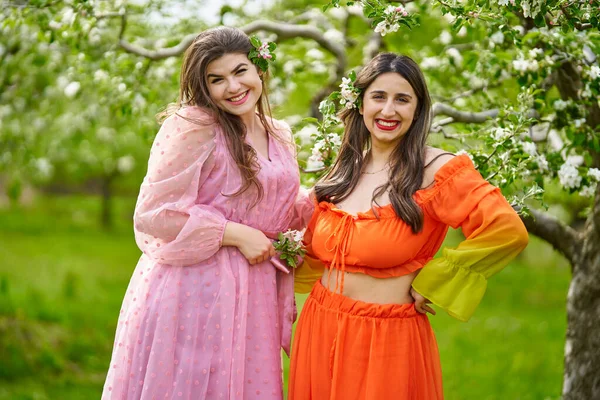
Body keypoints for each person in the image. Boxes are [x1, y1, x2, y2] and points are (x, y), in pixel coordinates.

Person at [288, 53, 529, 400]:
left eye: (402, 99)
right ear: (360, 104)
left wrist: (437, 280)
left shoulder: (436, 169)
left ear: (418, 109)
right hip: (320, 324)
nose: (389, 111)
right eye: (378, 97)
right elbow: (308, 248)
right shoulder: (345, 167)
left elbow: (505, 229)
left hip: (387, 339)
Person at [102, 26, 313, 400]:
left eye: (240, 71)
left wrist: (338, 189)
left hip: (255, 291)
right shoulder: (194, 127)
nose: (233, 86)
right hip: (197, 288)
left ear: (259, 69)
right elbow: (154, 214)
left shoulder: (279, 133)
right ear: (204, 87)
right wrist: (235, 233)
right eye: (217, 79)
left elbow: (279, 210)